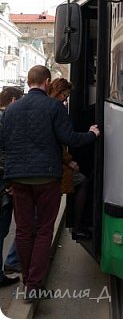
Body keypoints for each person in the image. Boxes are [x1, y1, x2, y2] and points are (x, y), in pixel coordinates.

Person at [0, 66, 100, 301]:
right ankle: (34, 286)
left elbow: (4, 146)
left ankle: (26, 280)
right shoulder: (54, 107)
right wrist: (92, 134)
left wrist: (8, 178)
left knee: (24, 231)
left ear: (27, 81)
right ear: (46, 82)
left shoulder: (12, 110)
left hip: (19, 179)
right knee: (44, 231)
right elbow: (69, 139)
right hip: (46, 178)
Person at [48, 78, 91, 240]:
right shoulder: (57, 108)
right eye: (65, 96)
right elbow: (65, 139)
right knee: (82, 182)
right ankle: (77, 225)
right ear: (58, 92)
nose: (65, 100)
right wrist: (91, 134)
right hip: (55, 164)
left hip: (44, 164)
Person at [0, 87, 23, 287]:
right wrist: (9, 182)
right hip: (2, 186)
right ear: (14, 100)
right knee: (1, 230)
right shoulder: (4, 120)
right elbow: (4, 155)